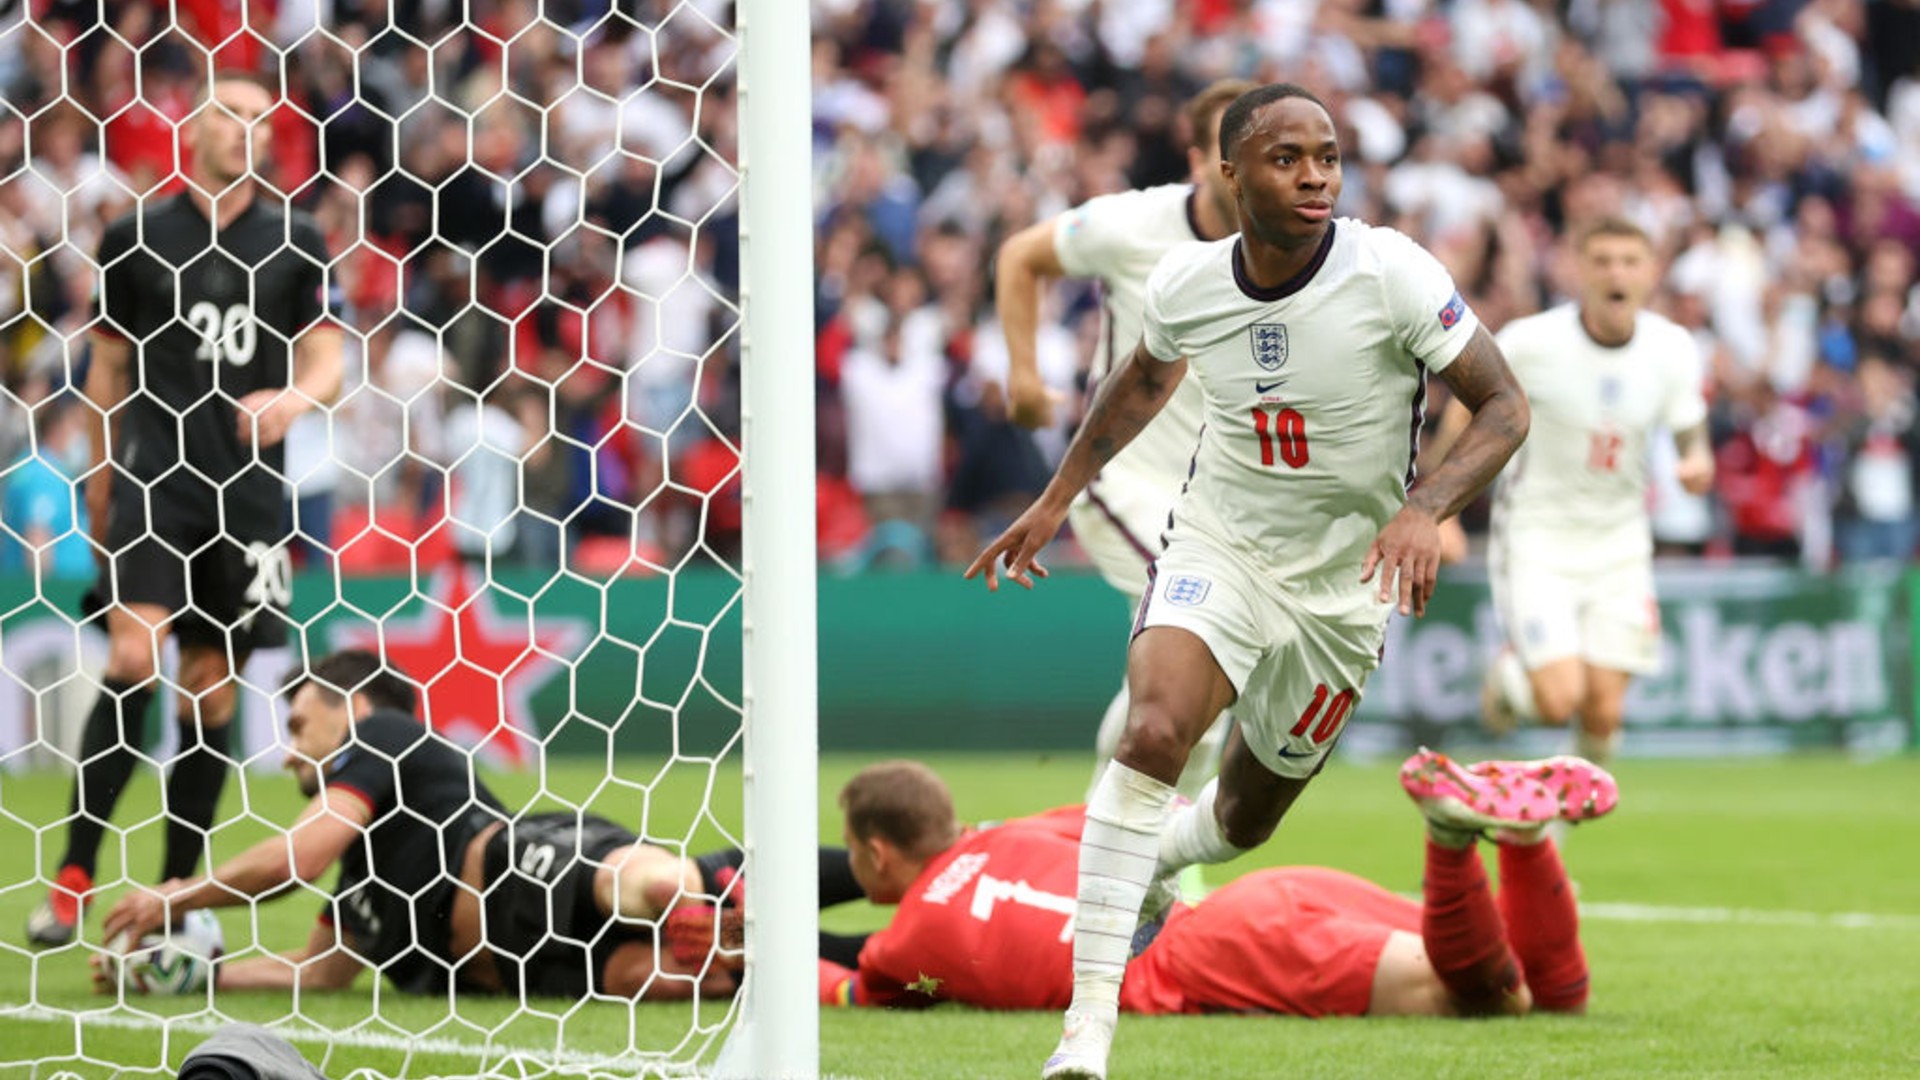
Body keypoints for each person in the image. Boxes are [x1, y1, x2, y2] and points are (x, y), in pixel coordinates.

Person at [965, 83, 1530, 1079]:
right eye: (1286, 157)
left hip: (1344, 590)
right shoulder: (1187, 281)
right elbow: (1139, 381)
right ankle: (1085, 1034)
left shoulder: (1388, 270)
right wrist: (1057, 498)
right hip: (1218, 546)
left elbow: (1504, 408)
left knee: (1242, 821)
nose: (1314, 174)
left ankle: (1164, 863)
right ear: (1230, 174)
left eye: (1327, 155)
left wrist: (1420, 508)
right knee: (1152, 730)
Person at [29, 72, 346, 946]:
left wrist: (293, 400)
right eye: (227, 114)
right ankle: (73, 877)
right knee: (135, 652)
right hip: (150, 478)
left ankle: (172, 899)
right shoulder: (135, 237)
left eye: (257, 119)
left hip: (246, 492)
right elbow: (107, 370)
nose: (242, 129)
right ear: (194, 125)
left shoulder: (299, 238)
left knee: (208, 691)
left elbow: (330, 356)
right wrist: (97, 481)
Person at [94, 649, 733, 1001]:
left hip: (528, 868)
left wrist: (173, 897)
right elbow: (319, 972)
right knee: (692, 977)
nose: (288, 753)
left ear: (356, 709)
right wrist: (194, 974)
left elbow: (297, 859)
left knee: (649, 890)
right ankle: (823, 966)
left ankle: (704, 891)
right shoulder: (364, 875)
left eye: (298, 727)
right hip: (527, 971)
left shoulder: (385, 734)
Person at [819, 754, 1612, 1022]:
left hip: (1211, 955)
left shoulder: (905, 942)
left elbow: (848, 987)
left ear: (879, 856)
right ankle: (1528, 842)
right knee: (1551, 995)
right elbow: (1148, 812)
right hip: (1257, 901)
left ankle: (1448, 835)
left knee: (1490, 999)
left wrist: (751, 949)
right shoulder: (1016, 834)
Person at [995, 78, 1253, 809]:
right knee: (1200, 635)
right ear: (1199, 159)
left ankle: (1116, 836)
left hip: (1222, 504)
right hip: (1123, 478)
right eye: (1229, 156)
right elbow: (1021, 255)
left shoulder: (1297, 252)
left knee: (1205, 686)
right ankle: (1144, 847)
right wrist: (1022, 373)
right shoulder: (1132, 225)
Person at [1431, 217, 1712, 769]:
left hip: (1621, 544)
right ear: (1579, 270)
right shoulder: (1532, 342)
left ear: (1651, 273)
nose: (1617, 273)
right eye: (1603, 260)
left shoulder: (1672, 348)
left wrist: (1697, 459)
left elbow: (1689, 428)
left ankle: (1553, 837)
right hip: (1538, 539)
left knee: (1603, 712)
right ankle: (1509, 679)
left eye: (1630, 262)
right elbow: (1468, 404)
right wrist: (1441, 509)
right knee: (1560, 699)